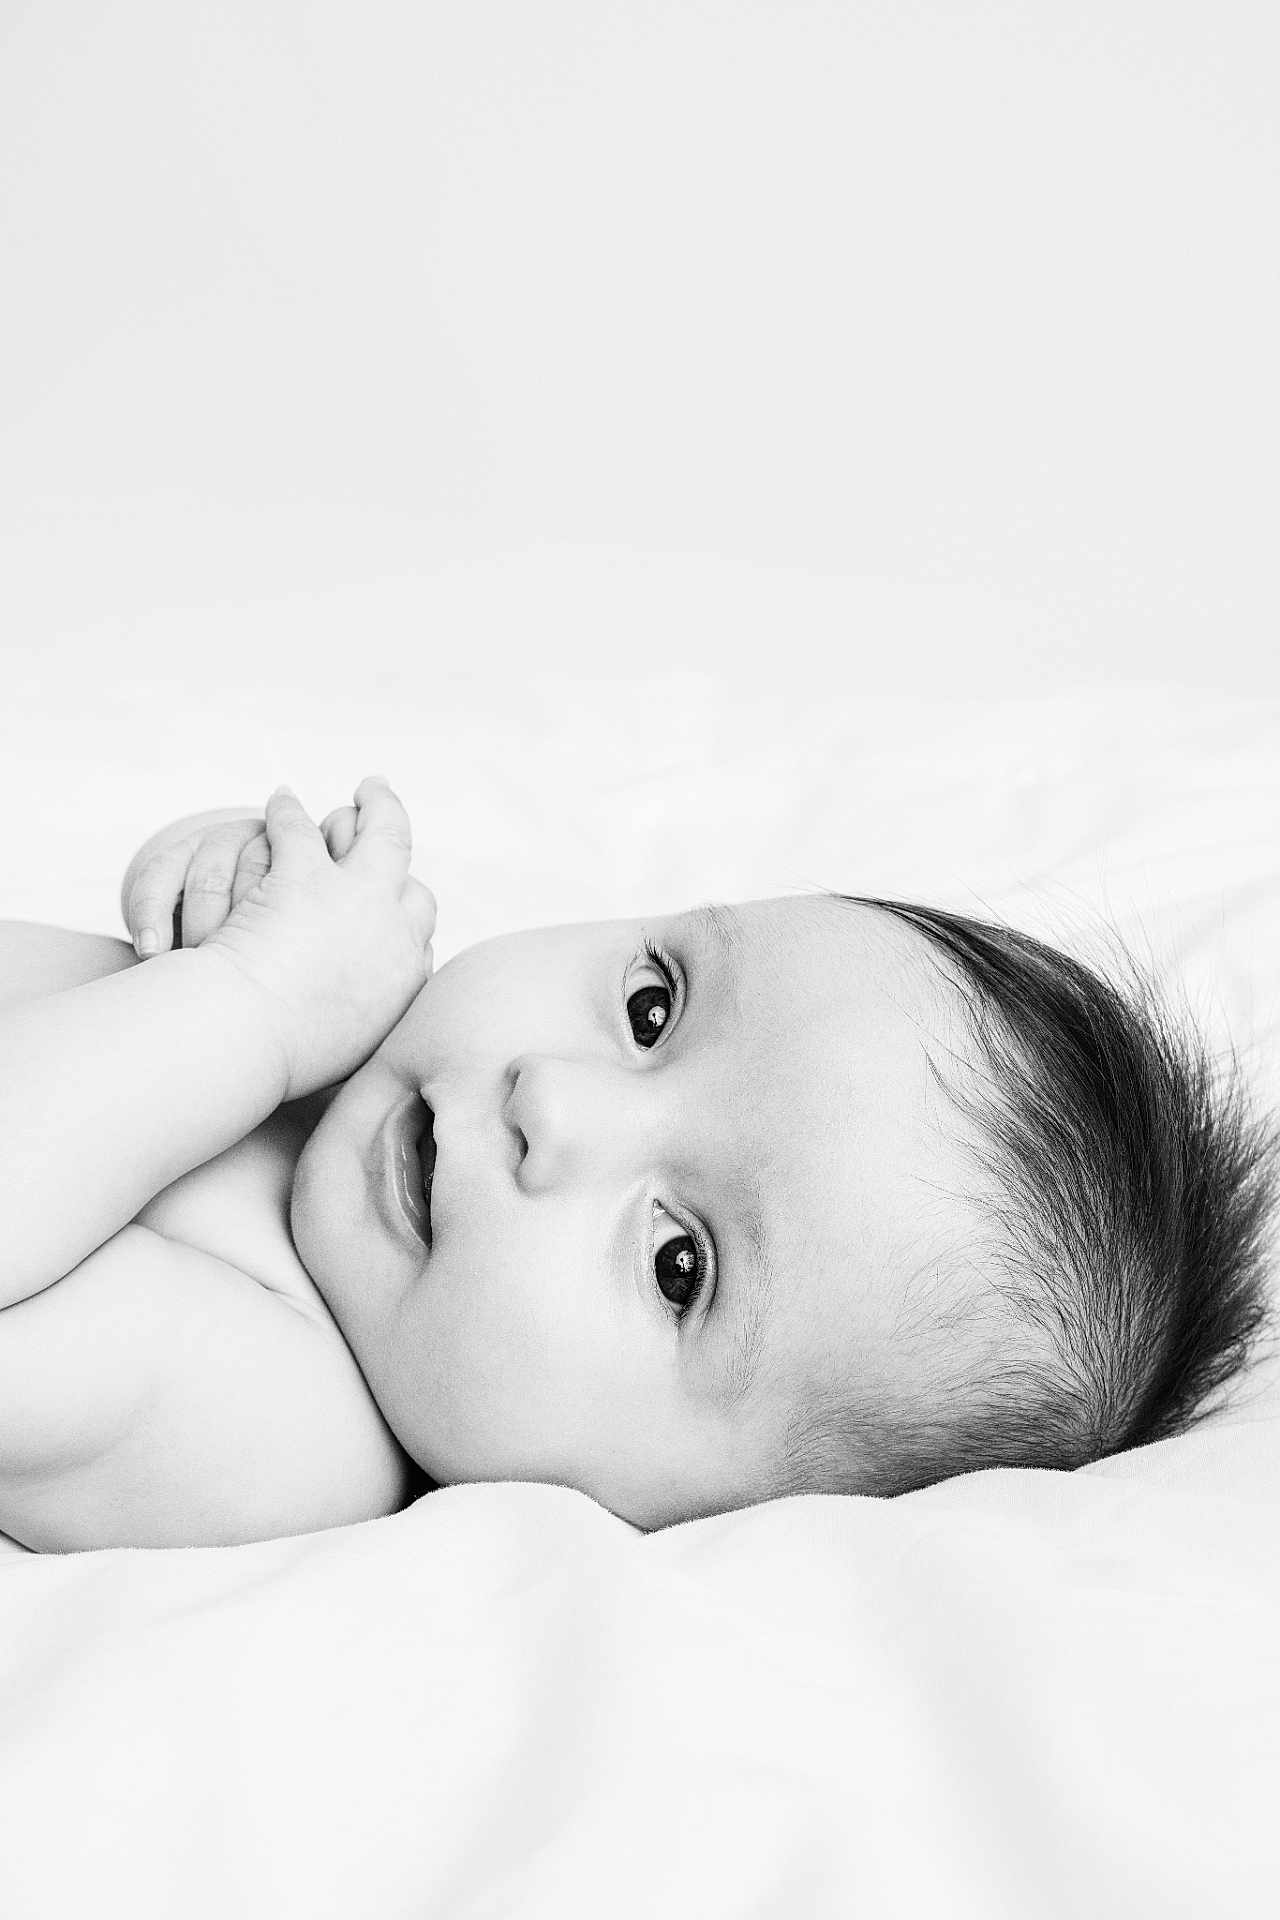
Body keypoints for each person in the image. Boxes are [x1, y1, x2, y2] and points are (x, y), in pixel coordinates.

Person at [0, 777, 1274, 1552]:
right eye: (652, 1010)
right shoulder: (365, 1058)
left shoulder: (283, 1432)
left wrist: (242, 1000)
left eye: (679, 1264)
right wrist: (218, 888)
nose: (549, 1101)